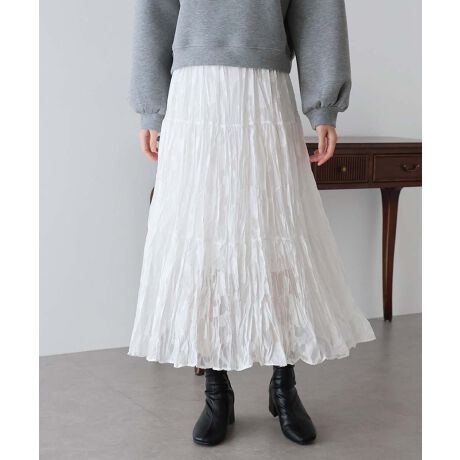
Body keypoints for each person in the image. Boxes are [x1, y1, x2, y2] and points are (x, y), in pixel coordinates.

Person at [128, 0, 376, 447]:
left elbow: (317, 9)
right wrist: (151, 108)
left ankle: (284, 385)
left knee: (278, 234)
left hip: (265, 92)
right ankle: (216, 388)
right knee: (205, 240)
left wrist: (323, 105)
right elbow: (154, 11)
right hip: (195, 96)